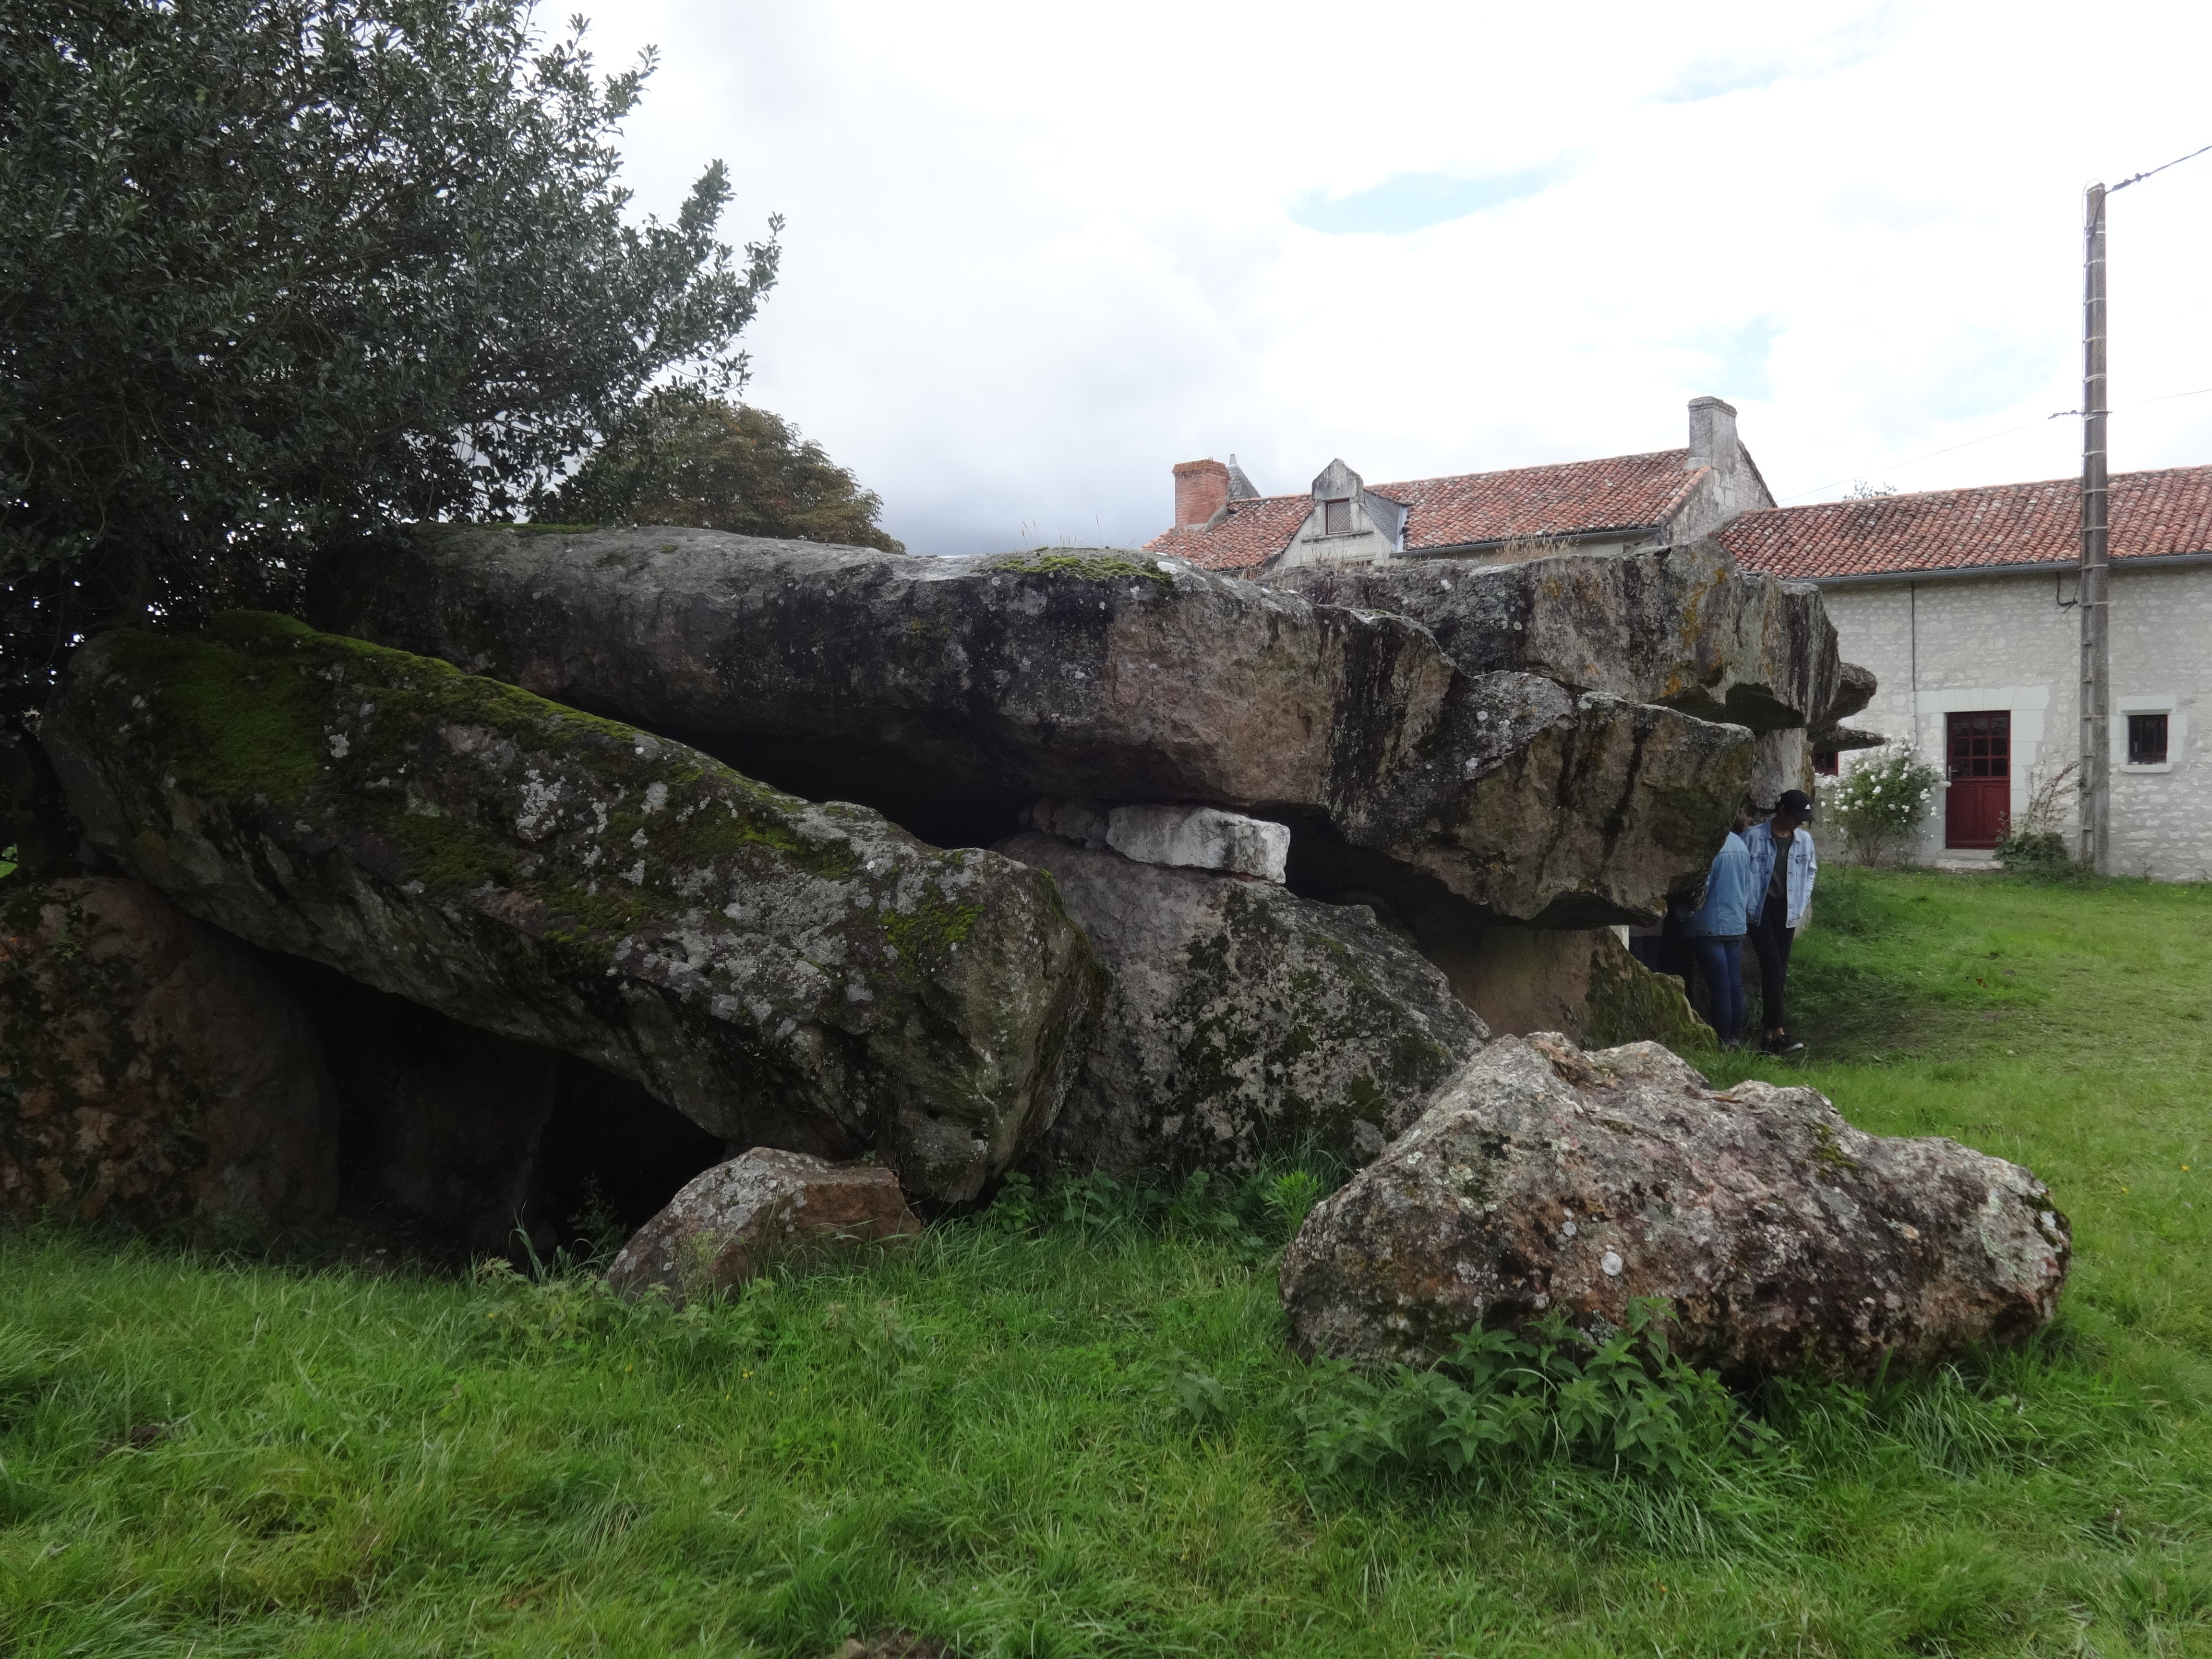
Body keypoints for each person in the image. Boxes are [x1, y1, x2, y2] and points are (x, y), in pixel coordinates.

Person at [1743, 788, 1819, 1055]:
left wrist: (1802, 901)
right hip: (1760, 910)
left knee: (1779, 970)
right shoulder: (1753, 838)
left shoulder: (1804, 841)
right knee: (1773, 966)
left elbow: (1810, 872)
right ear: (1782, 811)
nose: (1800, 823)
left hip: (1788, 911)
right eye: (1797, 817)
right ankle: (1779, 1031)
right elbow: (1741, 871)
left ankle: (1769, 1036)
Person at [1683, 811, 1752, 1048]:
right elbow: (1748, 886)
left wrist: (1684, 915)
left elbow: (1701, 891)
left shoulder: (1711, 848)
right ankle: (1734, 1038)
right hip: (1736, 923)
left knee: (1720, 986)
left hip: (1708, 925)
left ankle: (1721, 1040)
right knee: (1734, 983)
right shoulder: (1740, 845)